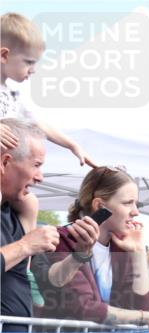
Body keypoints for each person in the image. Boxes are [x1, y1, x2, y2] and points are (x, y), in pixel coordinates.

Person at [32, 166, 149, 333]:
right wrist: (145, 318)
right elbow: (82, 307)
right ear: (99, 206)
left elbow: (144, 306)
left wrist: (138, 253)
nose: (135, 212)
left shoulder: (121, 246)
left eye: (136, 204)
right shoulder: (61, 239)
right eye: (128, 203)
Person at [1, 13, 96, 233]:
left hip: (7, 173)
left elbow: (39, 124)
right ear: (4, 55)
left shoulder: (13, 94)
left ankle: (26, 250)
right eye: (28, 62)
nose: (33, 69)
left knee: (31, 202)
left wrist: (72, 145)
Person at [1, 119, 98, 331]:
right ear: (5, 162)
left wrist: (80, 254)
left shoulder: (19, 211)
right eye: (36, 165)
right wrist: (25, 246)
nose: (40, 178)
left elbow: (51, 282)